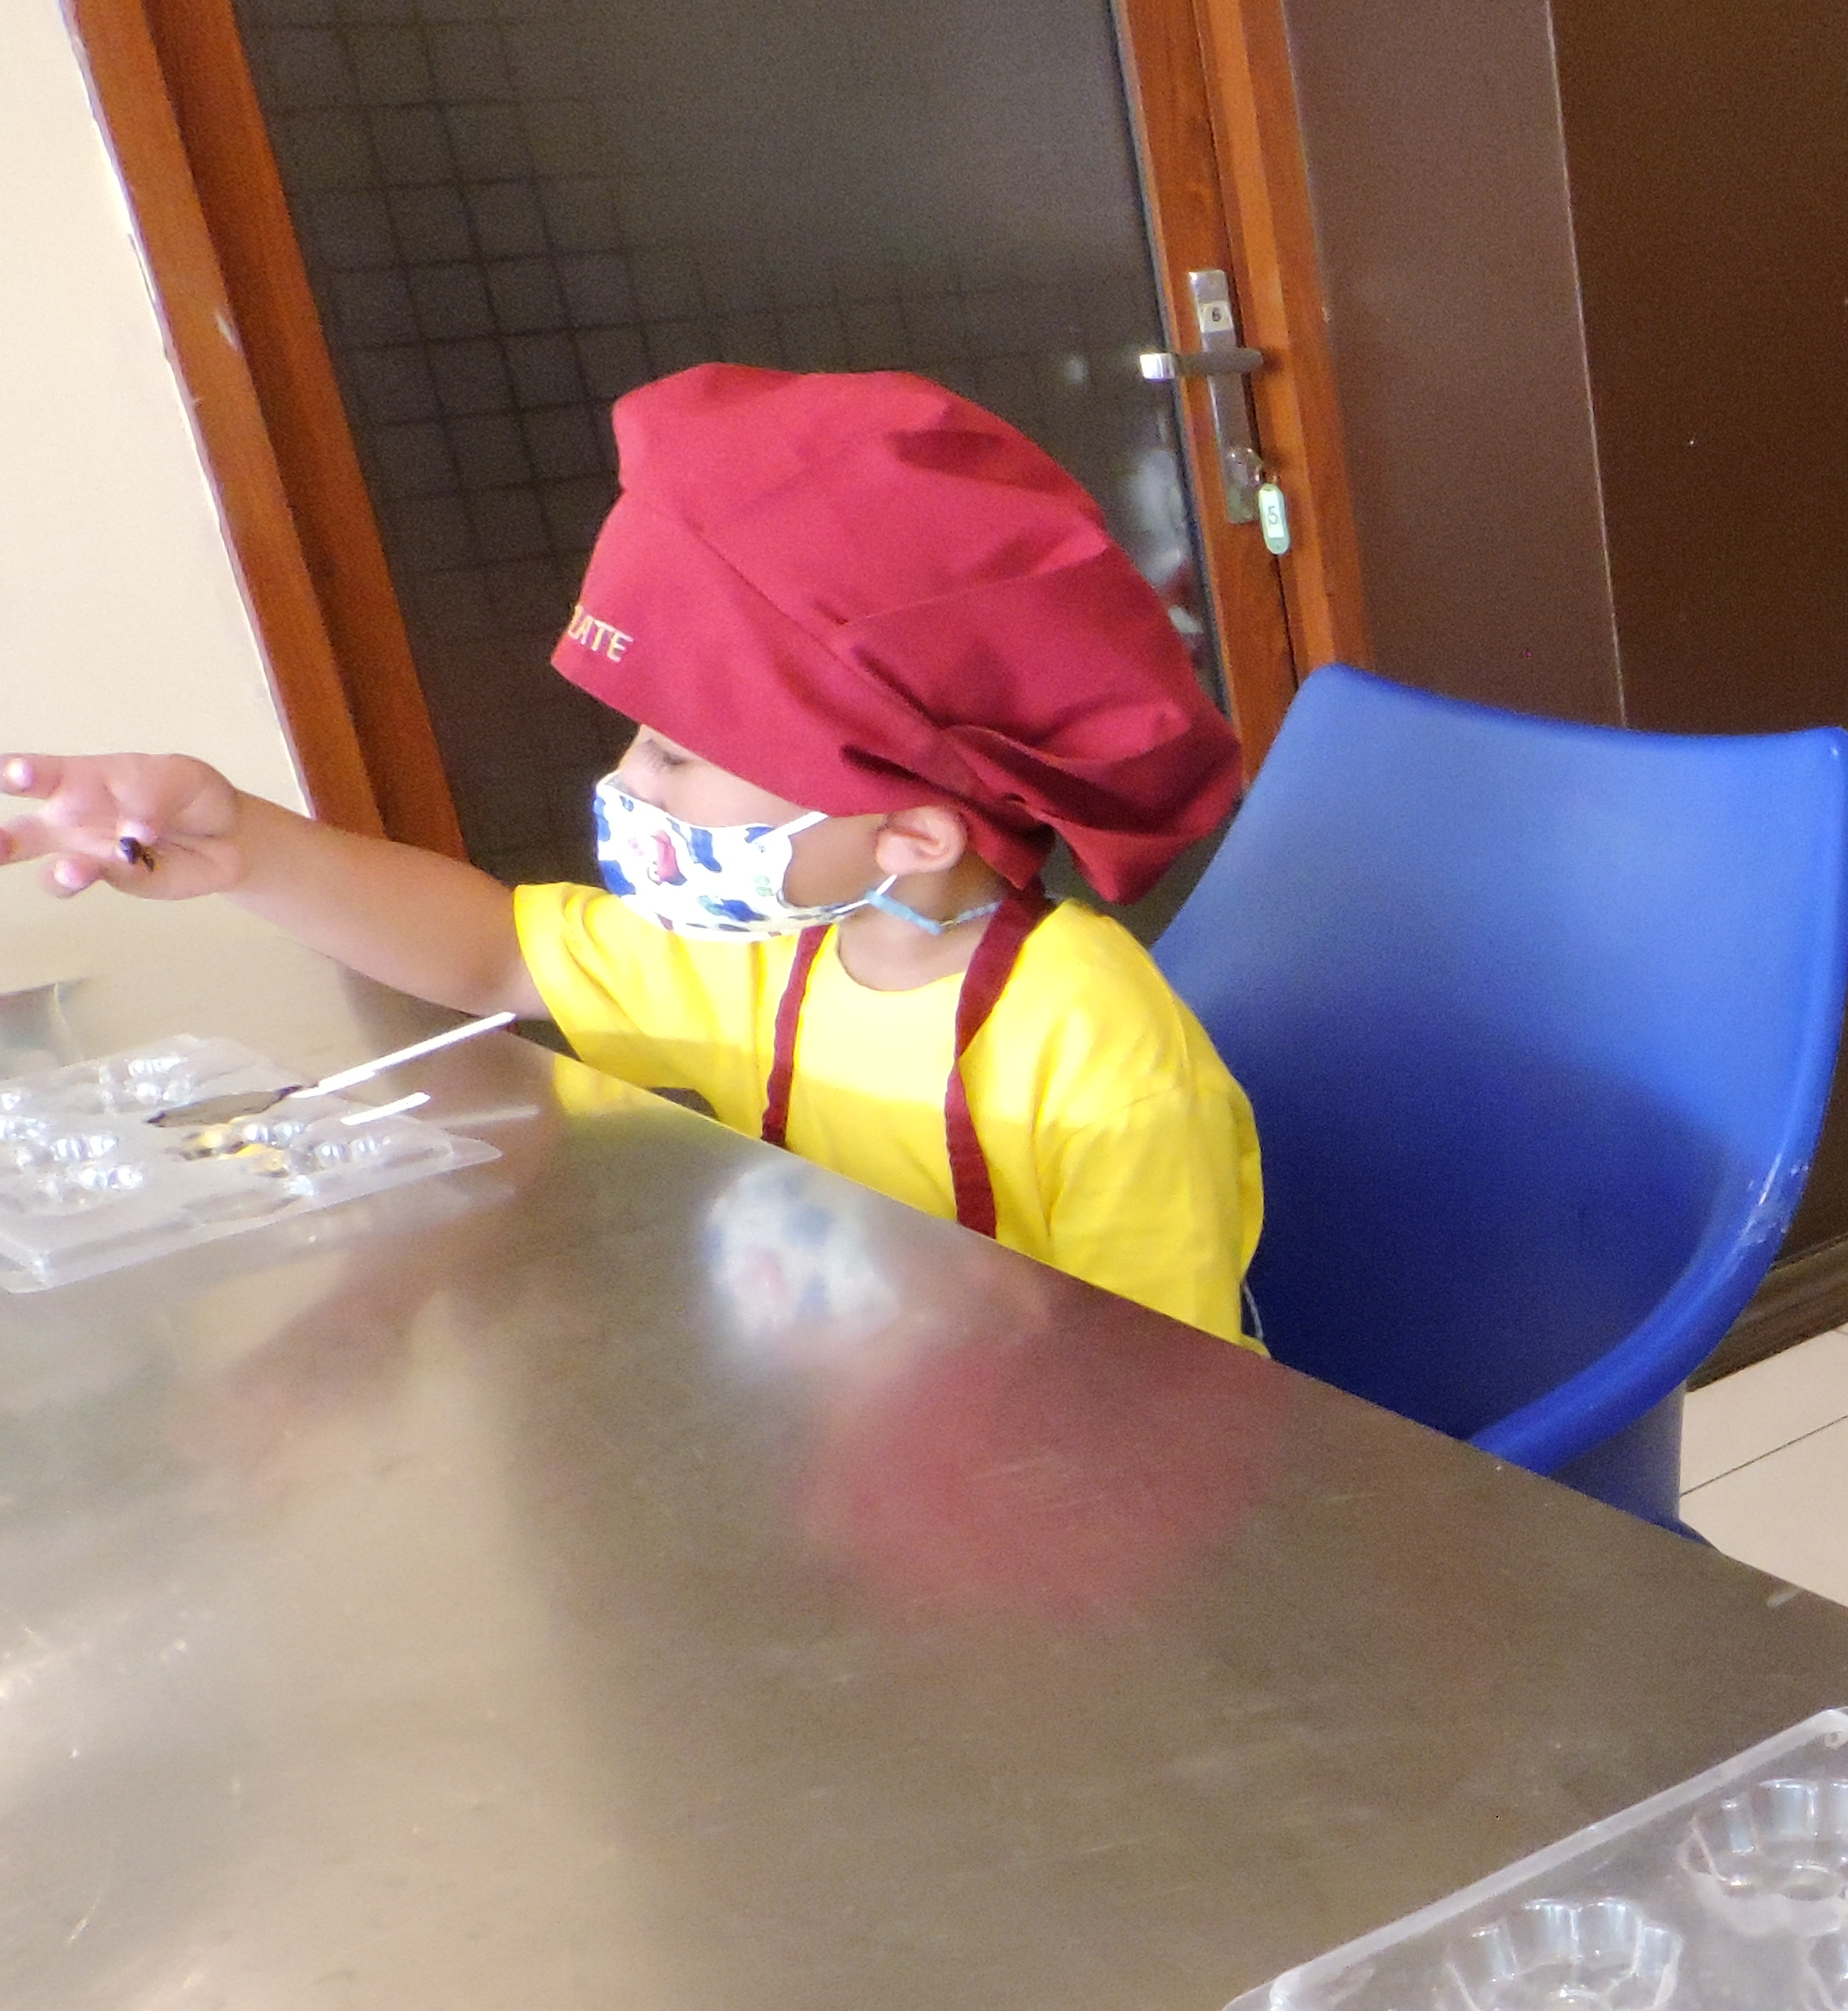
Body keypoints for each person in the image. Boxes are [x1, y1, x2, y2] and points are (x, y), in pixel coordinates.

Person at [1, 365, 1261, 1343]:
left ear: (914, 832)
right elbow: (496, 956)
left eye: (674, 757)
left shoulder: (1101, 1061)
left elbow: (1171, 1406)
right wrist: (244, 844)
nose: (626, 786)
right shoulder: (776, 955)